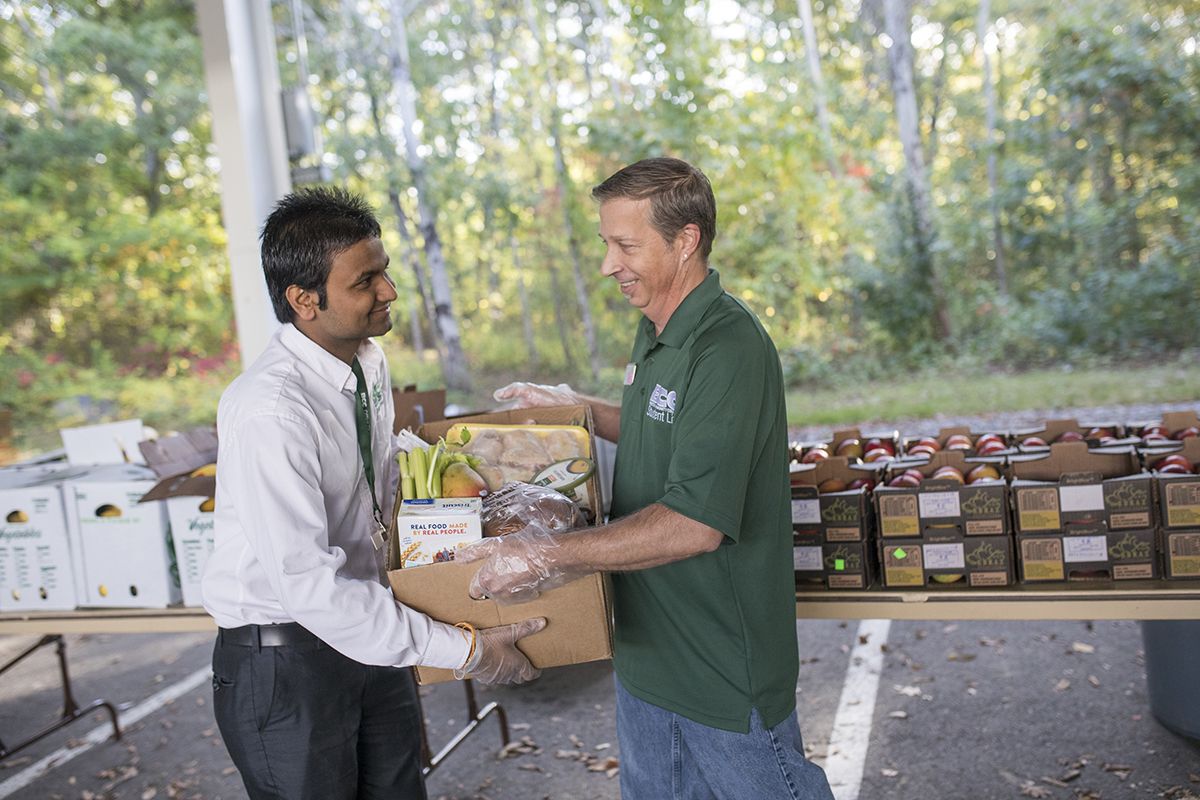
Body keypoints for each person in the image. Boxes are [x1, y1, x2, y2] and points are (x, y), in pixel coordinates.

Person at [459, 158, 835, 799]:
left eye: (624, 245)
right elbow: (658, 424)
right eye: (607, 243)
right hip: (646, 657)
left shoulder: (727, 348)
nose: (609, 264)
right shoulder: (657, 330)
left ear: (685, 240)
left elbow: (694, 525)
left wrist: (545, 556)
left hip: (718, 671)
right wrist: (573, 408)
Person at [201, 186, 544, 800]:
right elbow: (307, 584)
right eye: (366, 281)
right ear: (303, 300)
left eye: (384, 271)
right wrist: (465, 650)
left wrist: (474, 504)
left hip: (369, 629)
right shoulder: (270, 411)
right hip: (287, 662)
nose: (388, 291)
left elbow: (381, 483)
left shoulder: (366, 362)